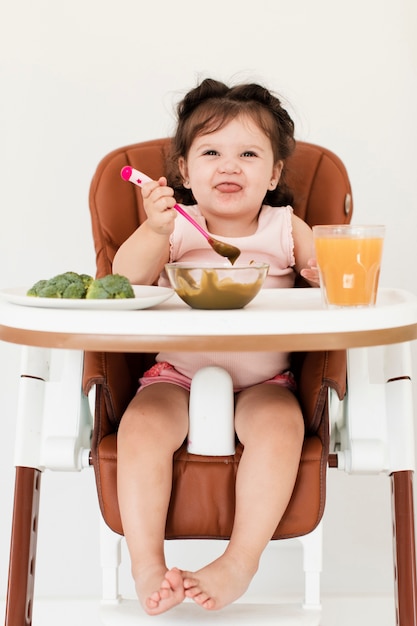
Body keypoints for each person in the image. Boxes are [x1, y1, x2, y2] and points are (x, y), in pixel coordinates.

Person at [112, 77, 319, 615]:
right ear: (184, 171)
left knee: (281, 430)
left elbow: (332, 275)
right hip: (176, 374)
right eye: (211, 152)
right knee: (140, 430)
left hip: (264, 382)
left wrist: (322, 273)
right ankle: (146, 563)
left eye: (249, 153)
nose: (230, 166)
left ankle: (239, 560)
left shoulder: (283, 227)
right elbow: (122, 279)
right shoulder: (180, 227)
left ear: (273, 174)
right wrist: (156, 230)